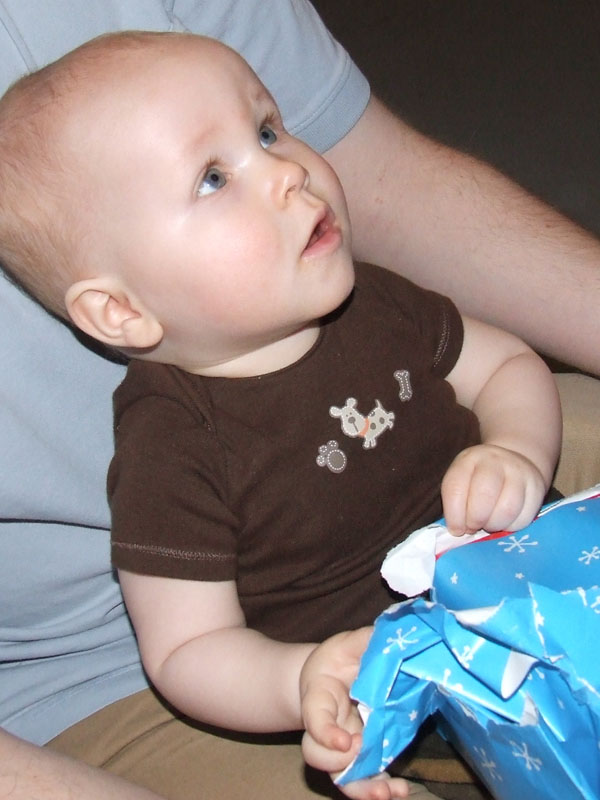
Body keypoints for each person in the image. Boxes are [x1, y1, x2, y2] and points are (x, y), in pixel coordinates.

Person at [0, 2, 595, 800]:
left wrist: (515, 448)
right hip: (397, 679)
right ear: (121, 311)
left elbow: (506, 367)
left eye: (268, 130)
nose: (288, 172)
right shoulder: (170, 445)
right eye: (214, 178)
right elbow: (188, 651)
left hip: (523, 569)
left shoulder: (368, 300)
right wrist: (300, 678)